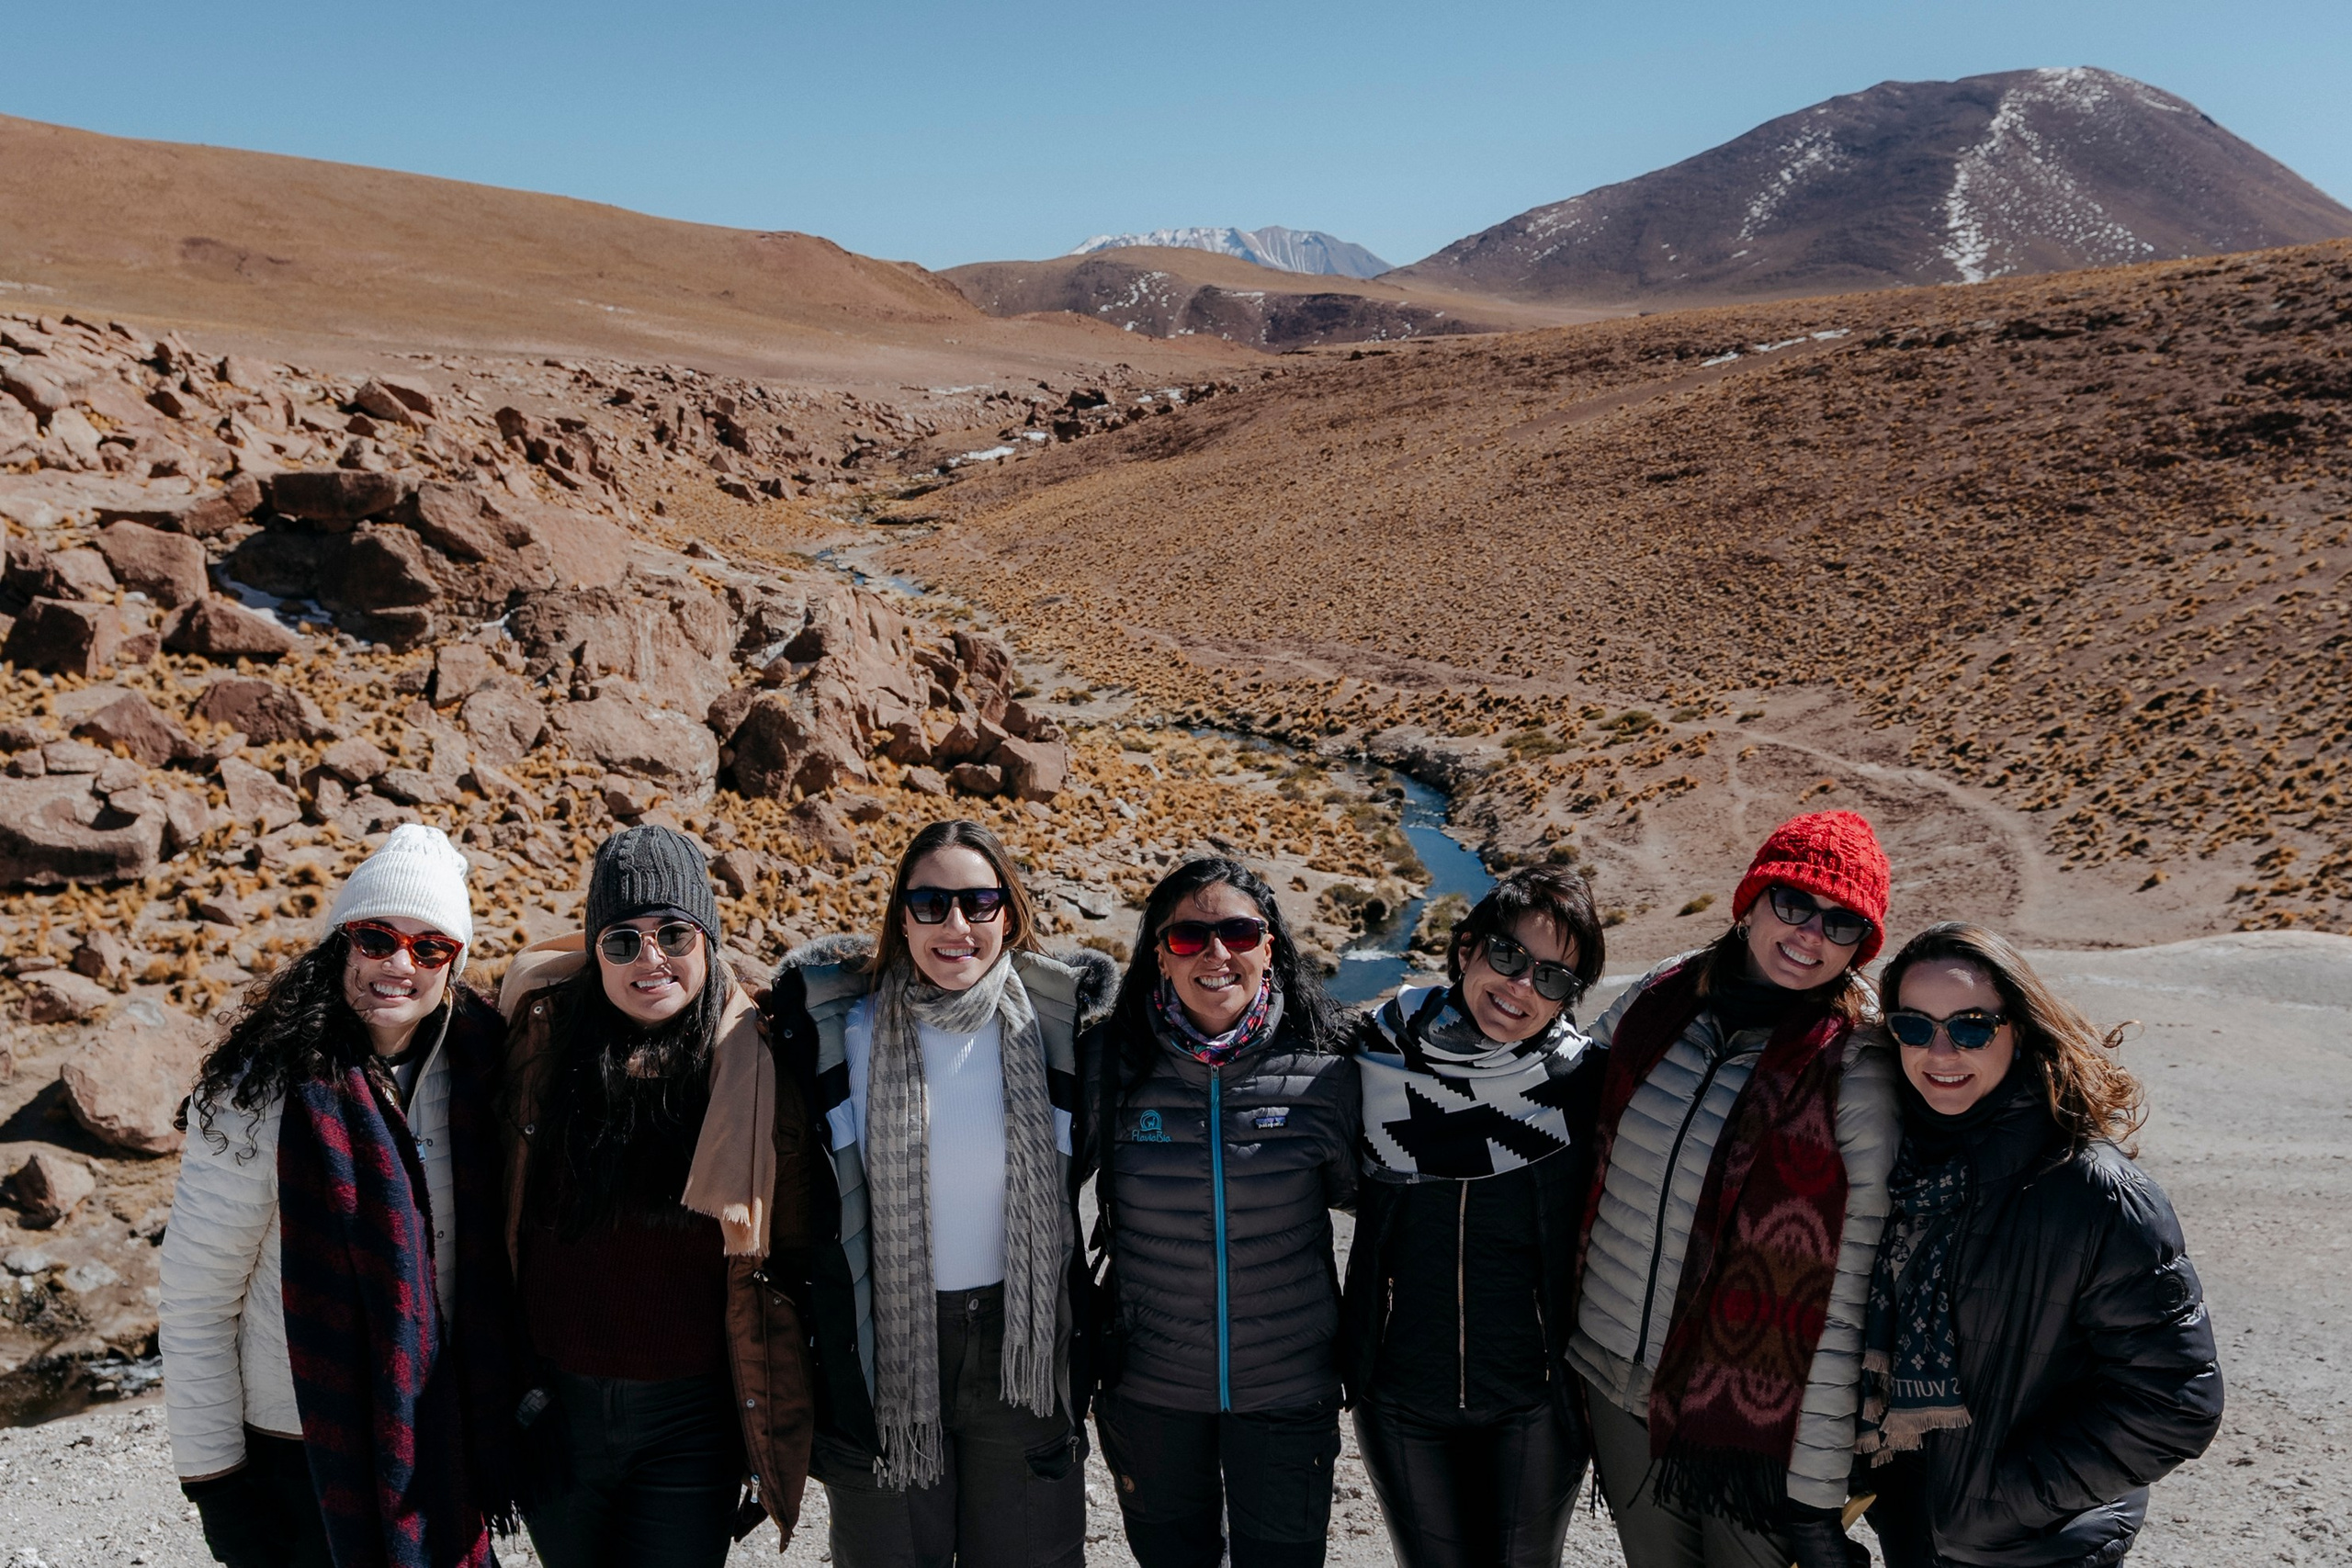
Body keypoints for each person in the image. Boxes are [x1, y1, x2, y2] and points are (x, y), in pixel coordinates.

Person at [761, 818, 1113, 1568]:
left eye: (978, 902)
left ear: (1008, 912)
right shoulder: (835, 1030)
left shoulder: (1064, 1030)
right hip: (884, 1345)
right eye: (930, 904)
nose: (956, 925)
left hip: (1019, 1348)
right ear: (901, 917)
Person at [162, 824, 515, 1568]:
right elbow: (197, 1304)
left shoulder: (483, 1072)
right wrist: (217, 1484)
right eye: (377, 936)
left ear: (455, 964)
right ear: (339, 943)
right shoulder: (258, 1093)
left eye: (430, 947)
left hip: (437, 1438)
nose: (399, 964)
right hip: (297, 1451)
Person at [1569, 810, 1900, 1568]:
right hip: (1614, 1378)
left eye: (1842, 922)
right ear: (1750, 900)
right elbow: (1565, 1106)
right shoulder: (1662, 999)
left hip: (1756, 1425)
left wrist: (1817, 1496)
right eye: (1793, 902)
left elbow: (1843, 1300)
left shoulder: (1858, 1064)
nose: (1810, 933)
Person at [498, 824, 815, 1567]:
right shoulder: (540, 1043)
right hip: (557, 1403)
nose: (651, 959)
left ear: (707, 936)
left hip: (691, 1418)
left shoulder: (759, 1060)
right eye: (621, 941)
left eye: (674, 932)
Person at [1858, 923, 2222, 1567]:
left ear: (2018, 1027)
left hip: (2033, 1544)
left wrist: (1997, 1503)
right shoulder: (1899, 1165)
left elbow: (2176, 1400)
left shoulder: (2094, 1190)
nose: (1940, 1051)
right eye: (1914, 1027)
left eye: (1970, 1026)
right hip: (1914, 1527)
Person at [1080, 857, 1359, 1568]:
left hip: (1288, 1389)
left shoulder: (1326, 1069)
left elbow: (1386, 1202)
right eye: (1189, 937)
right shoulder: (1108, 1063)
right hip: (1151, 1387)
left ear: (1269, 947)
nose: (1215, 952)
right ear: (1158, 954)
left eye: (1238, 931)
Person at [1340, 865, 1611, 1568]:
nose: (1522, 985)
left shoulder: (1586, 1086)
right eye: (1509, 956)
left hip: (1535, 1399)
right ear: (1467, 948)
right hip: (1400, 1395)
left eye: (1553, 978)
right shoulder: (1374, 1051)